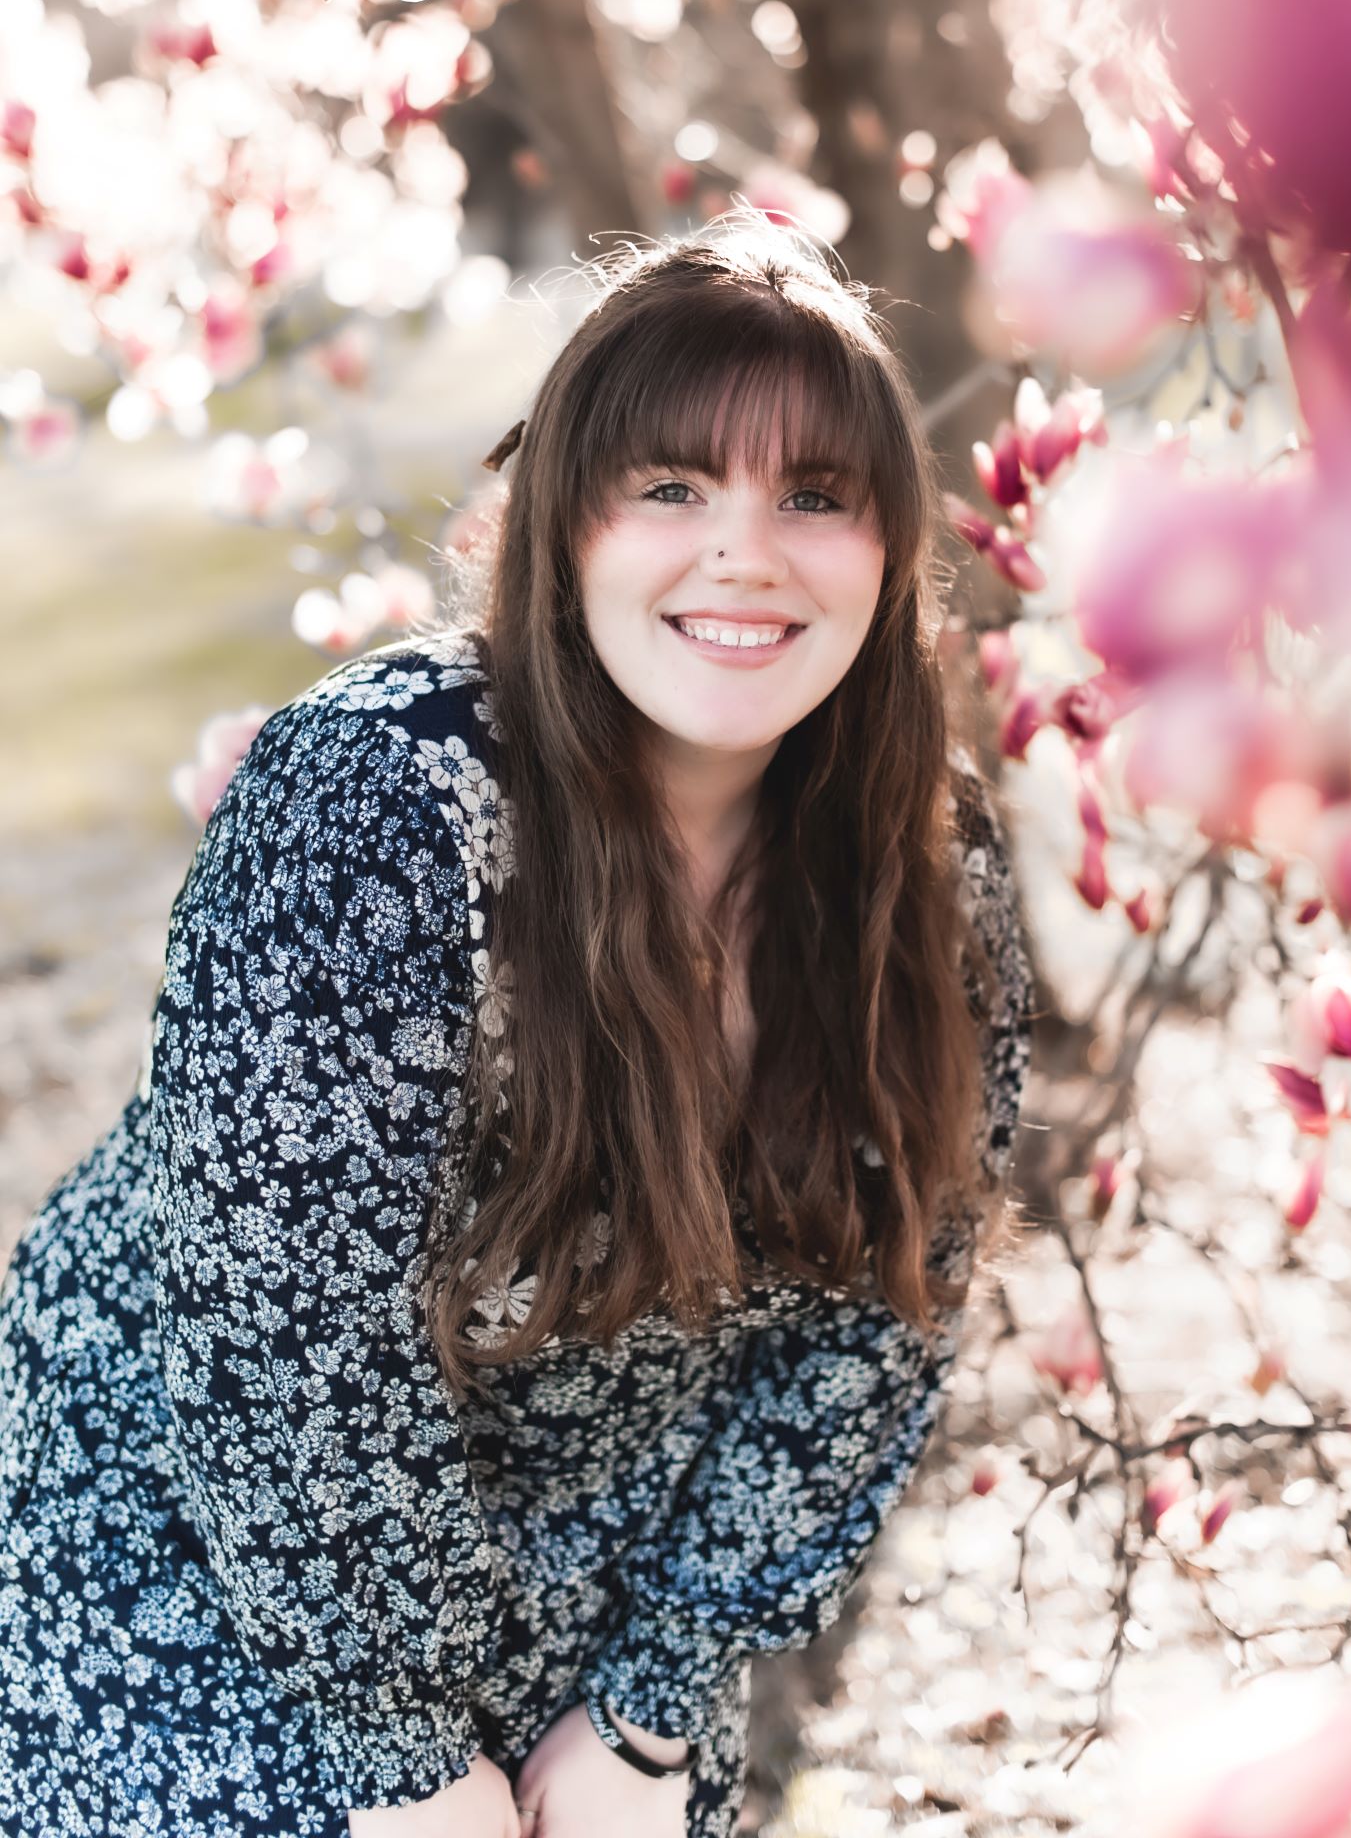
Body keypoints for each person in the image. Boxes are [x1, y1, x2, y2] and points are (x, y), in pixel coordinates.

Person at [0, 218, 1035, 1838]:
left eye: (814, 496)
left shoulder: (923, 858)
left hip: (593, 1598)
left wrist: (649, 1710)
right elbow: (284, 1353)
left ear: (892, 546)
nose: (745, 554)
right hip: (203, 1547)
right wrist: (407, 1763)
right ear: (564, 525)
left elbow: (880, 1317)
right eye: (672, 487)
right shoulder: (380, 804)